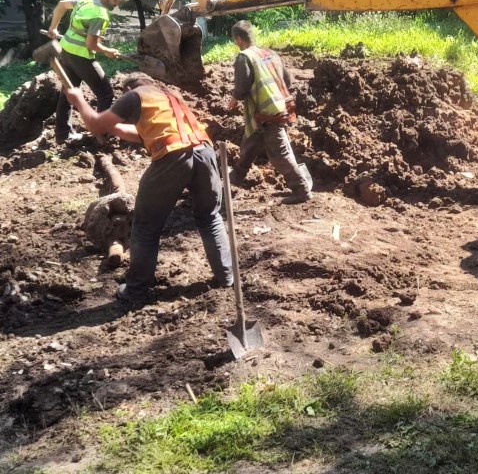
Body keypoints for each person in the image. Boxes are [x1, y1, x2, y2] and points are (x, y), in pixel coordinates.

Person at [64, 74, 233, 304]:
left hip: (173, 157)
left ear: (127, 88)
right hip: (204, 152)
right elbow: (142, 135)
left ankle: (134, 291)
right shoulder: (169, 96)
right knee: (209, 217)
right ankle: (226, 276)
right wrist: (113, 127)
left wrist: (78, 101)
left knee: (145, 227)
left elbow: (94, 123)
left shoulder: (133, 97)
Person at [227, 20, 313, 204]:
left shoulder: (244, 57)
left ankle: (302, 189)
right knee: (249, 146)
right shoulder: (270, 53)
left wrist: (234, 98)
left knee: (280, 153)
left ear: (238, 40)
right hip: (276, 109)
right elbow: (287, 82)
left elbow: (242, 88)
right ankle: (232, 183)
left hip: (267, 114)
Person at [47, 0, 128, 144]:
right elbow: (92, 45)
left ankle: (62, 134)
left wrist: (53, 27)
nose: (117, 3)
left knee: (69, 91)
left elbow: (62, 5)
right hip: (81, 57)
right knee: (105, 93)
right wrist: (107, 51)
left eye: (119, 0)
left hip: (65, 51)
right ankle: (102, 132)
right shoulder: (100, 14)